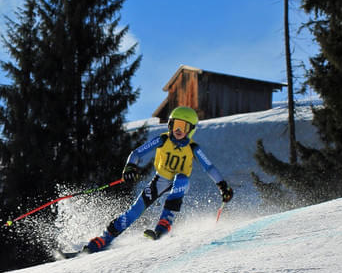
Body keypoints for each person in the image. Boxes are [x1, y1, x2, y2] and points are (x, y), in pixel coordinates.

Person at [84, 106, 233, 253]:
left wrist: (222, 186)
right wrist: (130, 167)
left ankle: (164, 223)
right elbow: (136, 153)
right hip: (160, 181)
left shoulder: (193, 148)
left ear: (191, 129)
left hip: (180, 183)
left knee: (181, 179)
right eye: (175, 125)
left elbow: (209, 167)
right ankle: (105, 238)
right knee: (134, 211)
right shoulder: (163, 139)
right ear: (170, 124)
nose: (178, 130)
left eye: (183, 126)